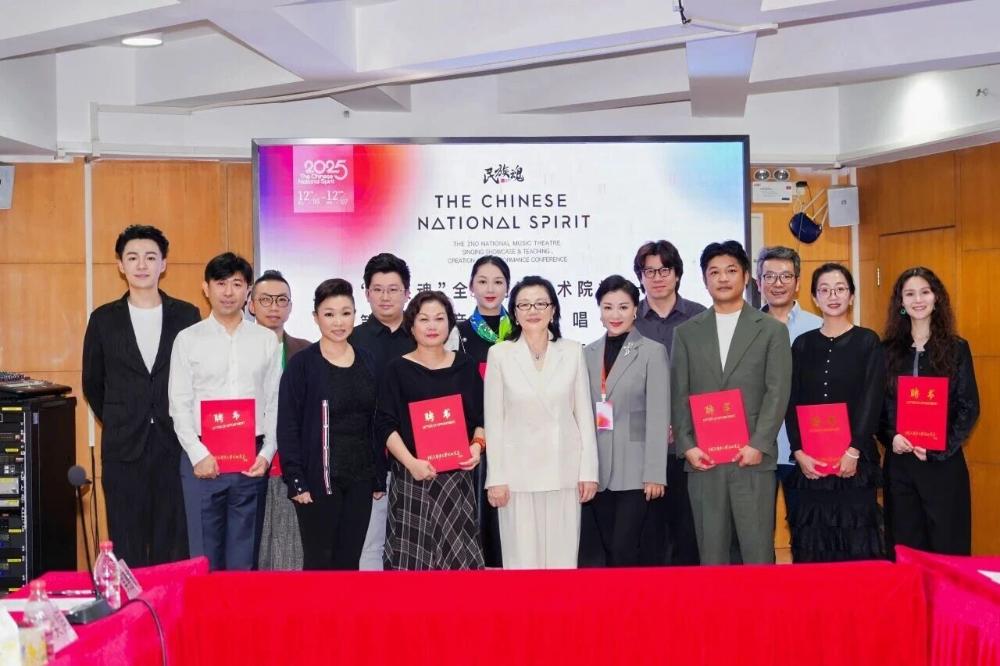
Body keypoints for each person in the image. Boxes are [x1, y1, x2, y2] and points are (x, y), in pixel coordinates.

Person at [82, 225, 201, 566]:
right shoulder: (103, 319)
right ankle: (130, 601)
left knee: (173, 539)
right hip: (123, 446)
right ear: (121, 265)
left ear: (163, 264)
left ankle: (167, 600)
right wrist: (123, 416)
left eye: (150, 257)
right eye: (132, 257)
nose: (142, 265)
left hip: (174, 443)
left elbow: (197, 378)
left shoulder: (187, 315)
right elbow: (93, 382)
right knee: (126, 539)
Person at [670, 240, 792, 565]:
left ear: (746, 276)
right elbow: (678, 394)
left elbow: (777, 392)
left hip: (752, 459)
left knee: (757, 553)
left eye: (731, 270)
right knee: (711, 555)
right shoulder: (686, 333)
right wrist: (687, 446)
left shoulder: (771, 331)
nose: (723, 278)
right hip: (704, 461)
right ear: (704, 279)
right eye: (714, 272)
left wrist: (759, 443)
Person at [168, 253, 282, 571]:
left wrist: (268, 452)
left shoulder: (266, 340)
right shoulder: (188, 340)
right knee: (204, 557)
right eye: (221, 283)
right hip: (202, 458)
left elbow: (274, 401)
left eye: (237, 284)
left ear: (248, 291)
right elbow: (179, 403)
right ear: (206, 288)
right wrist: (197, 454)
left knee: (244, 559)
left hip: (251, 459)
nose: (229, 292)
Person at [484, 276, 599, 569]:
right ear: (515, 312)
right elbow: (494, 421)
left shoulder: (572, 351)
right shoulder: (500, 354)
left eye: (540, 304)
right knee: (521, 561)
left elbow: (584, 416)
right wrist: (495, 478)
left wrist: (588, 471)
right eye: (524, 305)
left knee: (562, 562)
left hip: (564, 471)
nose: (532, 310)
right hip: (516, 476)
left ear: (553, 309)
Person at [277, 279, 383, 570]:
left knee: (349, 562)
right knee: (319, 563)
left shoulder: (368, 361)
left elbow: (375, 422)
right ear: (316, 317)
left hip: (360, 478)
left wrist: (377, 475)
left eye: (346, 313)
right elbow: (288, 426)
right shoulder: (302, 364)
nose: (339, 322)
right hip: (318, 480)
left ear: (355, 314)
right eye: (329, 314)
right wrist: (296, 479)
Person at [783, 263, 885, 562]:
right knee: (814, 541)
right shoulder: (802, 344)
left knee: (856, 541)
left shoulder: (868, 341)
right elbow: (791, 400)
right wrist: (798, 451)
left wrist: (853, 451)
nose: (833, 296)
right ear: (815, 298)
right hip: (811, 463)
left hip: (854, 462)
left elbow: (872, 399)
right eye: (825, 290)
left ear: (851, 296)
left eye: (840, 289)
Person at [376, 291, 485, 570]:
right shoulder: (397, 369)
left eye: (439, 318)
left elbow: (482, 417)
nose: (432, 326)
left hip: (456, 479)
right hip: (412, 475)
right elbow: (385, 424)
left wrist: (477, 447)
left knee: (459, 564)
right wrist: (411, 463)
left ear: (450, 324)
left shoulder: (465, 365)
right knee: (412, 564)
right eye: (424, 319)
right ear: (411, 326)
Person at [879, 267, 979, 556]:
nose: (918, 300)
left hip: (943, 465)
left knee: (948, 545)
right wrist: (891, 437)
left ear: (937, 298)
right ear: (901, 302)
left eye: (925, 292)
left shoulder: (957, 349)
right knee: (905, 548)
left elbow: (969, 406)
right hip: (900, 465)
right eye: (910, 294)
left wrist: (940, 448)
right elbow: (878, 408)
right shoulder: (886, 351)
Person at [582, 275, 669, 566]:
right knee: (606, 551)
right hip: (597, 469)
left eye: (623, 307)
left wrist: (655, 473)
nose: (615, 315)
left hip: (636, 469)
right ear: (599, 311)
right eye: (607, 307)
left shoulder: (652, 352)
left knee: (624, 549)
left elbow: (658, 415)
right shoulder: (587, 353)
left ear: (635, 310)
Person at [631, 240, 705, 566]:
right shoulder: (629, 319)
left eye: (664, 270)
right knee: (649, 539)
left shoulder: (700, 317)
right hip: (641, 446)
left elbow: (709, 379)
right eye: (649, 271)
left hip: (690, 445)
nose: (658, 277)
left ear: (677, 274)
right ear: (640, 277)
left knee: (688, 534)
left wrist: (682, 423)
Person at [349, 253, 416, 570]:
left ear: (407, 292)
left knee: (415, 543)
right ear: (366, 293)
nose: (385, 297)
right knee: (369, 545)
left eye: (393, 289)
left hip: (417, 458)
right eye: (377, 289)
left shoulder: (425, 336)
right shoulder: (352, 339)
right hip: (368, 461)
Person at [445, 255, 511, 567]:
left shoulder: (522, 329)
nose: (490, 289)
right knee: (474, 512)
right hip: (471, 435)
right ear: (470, 287)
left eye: (498, 282)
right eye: (482, 281)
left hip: (515, 432)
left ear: (508, 288)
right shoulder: (456, 332)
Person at [248, 270, 311, 571]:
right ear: (251, 305)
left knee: (289, 548)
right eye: (265, 300)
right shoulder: (238, 347)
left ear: (290, 306)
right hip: (248, 459)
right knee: (253, 545)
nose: (274, 307)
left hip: (292, 462)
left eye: (281, 300)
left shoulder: (306, 351)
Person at [755, 246, 822, 526]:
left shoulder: (819, 327)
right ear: (758, 283)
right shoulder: (746, 329)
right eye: (769, 276)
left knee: (807, 531)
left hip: (807, 451)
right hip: (757, 450)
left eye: (785, 276)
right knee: (757, 534)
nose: (777, 283)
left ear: (798, 282)